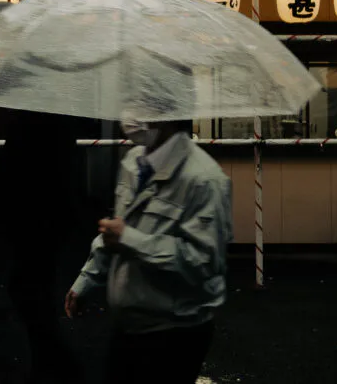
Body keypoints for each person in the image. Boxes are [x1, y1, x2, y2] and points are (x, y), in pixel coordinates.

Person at [66, 117, 232, 384]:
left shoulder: (205, 179)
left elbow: (203, 262)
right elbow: (117, 229)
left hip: (174, 334)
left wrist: (130, 240)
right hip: (129, 325)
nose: (127, 115)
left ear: (168, 113)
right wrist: (88, 277)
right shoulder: (134, 161)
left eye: (141, 101)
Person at [3, 110, 83, 383]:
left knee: (28, 290)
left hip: (38, 217)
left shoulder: (37, 119)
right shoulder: (52, 116)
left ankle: (61, 366)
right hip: (45, 217)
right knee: (36, 290)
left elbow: (26, 166)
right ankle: (47, 366)